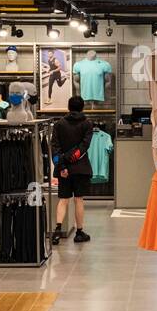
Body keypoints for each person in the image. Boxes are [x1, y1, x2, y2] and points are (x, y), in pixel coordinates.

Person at [52, 95, 94, 244]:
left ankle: (57, 231)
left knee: (63, 199)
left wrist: (62, 166)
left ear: (68, 107)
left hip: (64, 170)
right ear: (82, 107)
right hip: (80, 168)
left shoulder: (59, 124)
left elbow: (55, 148)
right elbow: (84, 146)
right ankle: (79, 232)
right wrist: (71, 159)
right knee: (78, 200)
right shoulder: (87, 124)